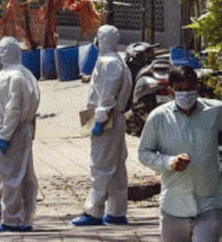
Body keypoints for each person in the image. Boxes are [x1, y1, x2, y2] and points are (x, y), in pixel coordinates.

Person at [138, 65, 222, 242]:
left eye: (190, 88)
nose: (186, 93)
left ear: (197, 88)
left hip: (209, 203)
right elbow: (144, 152)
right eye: (180, 90)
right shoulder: (159, 117)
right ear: (170, 91)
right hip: (174, 205)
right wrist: (169, 162)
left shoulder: (215, 111)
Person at [71, 24, 133, 226]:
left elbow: (107, 94)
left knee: (101, 166)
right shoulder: (117, 61)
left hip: (107, 119)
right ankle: (116, 211)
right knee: (116, 168)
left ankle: (94, 211)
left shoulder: (108, 62)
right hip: (113, 118)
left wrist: (99, 119)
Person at [0, 37, 40, 233]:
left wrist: (4, 135)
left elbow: (12, 109)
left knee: (10, 177)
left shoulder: (8, 76)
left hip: (12, 132)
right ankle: (27, 218)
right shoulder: (26, 74)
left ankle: (10, 219)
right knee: (27, 176)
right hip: (25, 129)